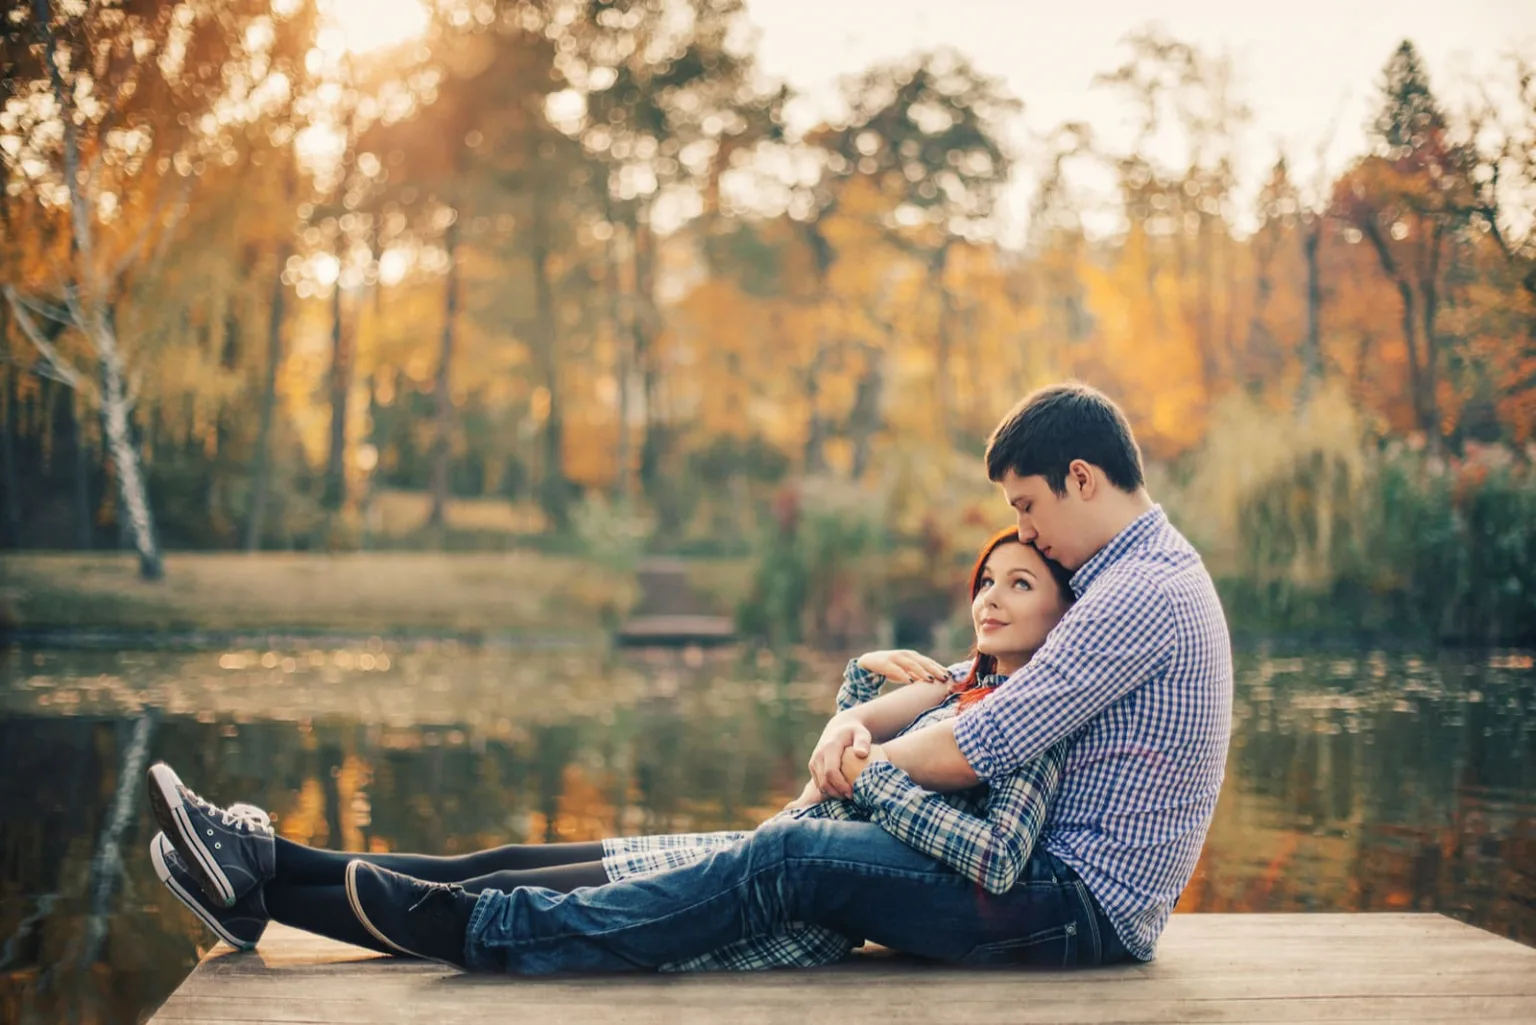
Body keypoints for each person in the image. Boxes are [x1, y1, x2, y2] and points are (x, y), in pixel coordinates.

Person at [155, 382, 1232, 973]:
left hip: (1068, 907)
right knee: (688, 847)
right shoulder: (1116, 582)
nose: (1023, 530)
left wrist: (852, 759)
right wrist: (861, 719)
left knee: (795, 848)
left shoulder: (1139, 593)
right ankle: (265, 865)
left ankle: (486, 931)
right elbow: (971, 687)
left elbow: (976, 742)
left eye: (1030, 507)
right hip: (1029, 884)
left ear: (1081, 477)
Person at [148, 529, 1082, 969]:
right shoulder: (959, 683)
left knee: (495, 894)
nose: (991, 597)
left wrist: (876, 776)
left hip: (787, 903)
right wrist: (857, 693)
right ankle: (262, 870)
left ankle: (261, 881)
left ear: (1063, 612)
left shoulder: (1034, 712)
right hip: (759, 846)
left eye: (1021, 584)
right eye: (986, 579)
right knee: (510, 858)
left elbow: (991, 852)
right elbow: (830, 776)